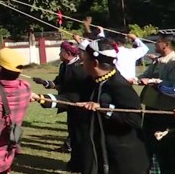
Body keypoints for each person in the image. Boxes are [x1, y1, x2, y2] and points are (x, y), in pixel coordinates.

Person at [33, 38, 148, 174]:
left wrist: (103, 108)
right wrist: (40, 98)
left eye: (84, 59)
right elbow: (72, 99)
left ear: (95, 63)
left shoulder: (120, 86)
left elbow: (134, 119)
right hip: (97, 152)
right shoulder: (90, 81)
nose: (81, 62)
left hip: (122, 156)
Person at [32, 41, 85, 170]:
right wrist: (44, 82)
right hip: (69, 106)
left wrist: (42, 99)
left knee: (79, 136)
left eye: (61, 52)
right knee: (72, 133)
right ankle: (74, 162)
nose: (59, 54)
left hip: (79, 107)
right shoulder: (63, 66)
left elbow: (73, 94)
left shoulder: (81, 68)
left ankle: (80, 164)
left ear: (68, 53)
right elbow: (58, 84)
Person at [137, 34, 175, 172]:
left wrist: (154, 82)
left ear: (165, 44)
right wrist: (136, 79)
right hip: (152, 106)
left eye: (158, 42)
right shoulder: (158, 60)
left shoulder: (173, 61)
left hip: (166, 109)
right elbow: (145, 75)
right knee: (148, 141)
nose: (155, 44)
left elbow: (173, 88)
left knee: (164, 145)